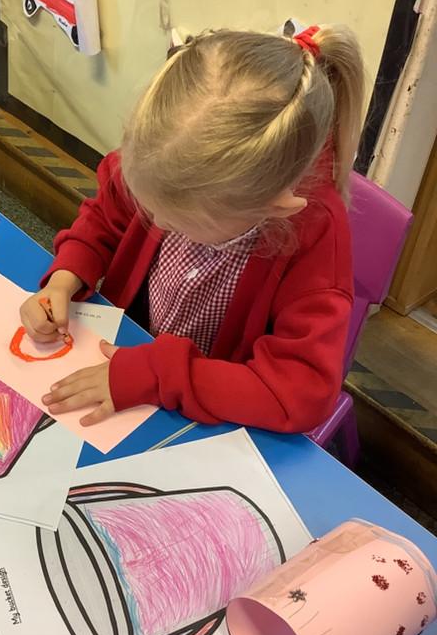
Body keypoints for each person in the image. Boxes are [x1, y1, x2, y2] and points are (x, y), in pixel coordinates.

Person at [18, 25, 364, 433]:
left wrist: (158, 374)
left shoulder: (315, 235)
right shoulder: (168, 156)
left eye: (180, 220)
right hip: (131, 351)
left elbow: (298, 394)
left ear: (272, 207)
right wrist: (65, 278)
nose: (157, 223)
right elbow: (105, 217)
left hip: (209, 410)